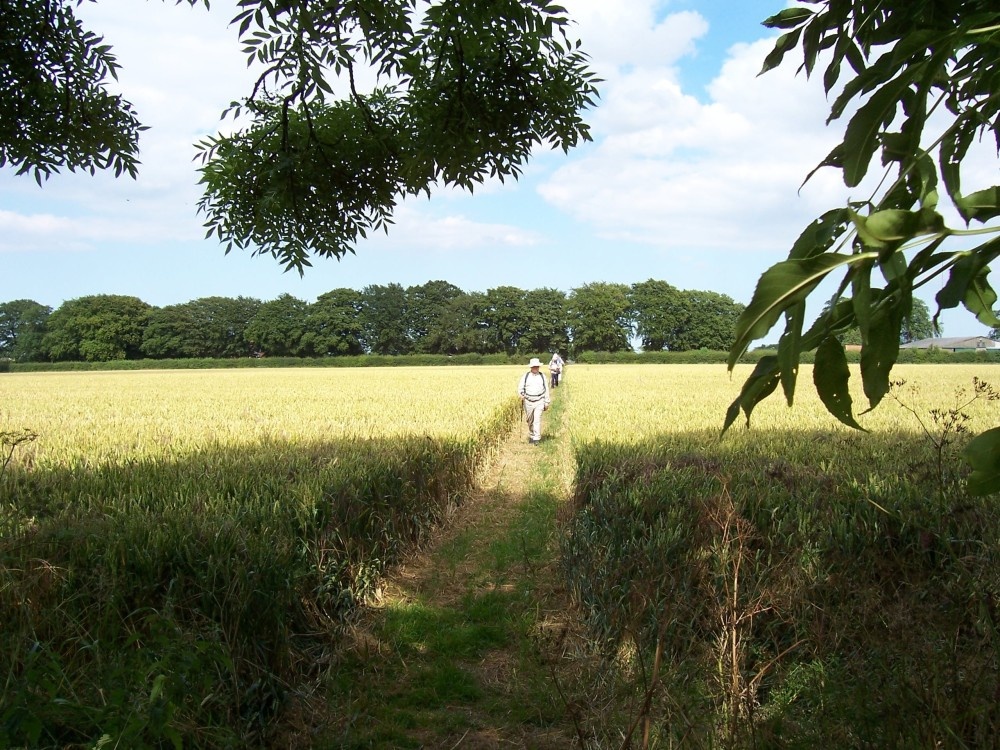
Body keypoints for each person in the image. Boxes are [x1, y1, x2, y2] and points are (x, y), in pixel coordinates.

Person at [518, 357, 550, 445]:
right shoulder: (525, 376)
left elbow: (546, 389)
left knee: (537, 419)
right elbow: (520, 388)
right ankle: (532, 434)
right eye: (534, 367)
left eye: (537, 366)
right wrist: (521, 394)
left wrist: (547, 402)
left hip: (540, 400)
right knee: (530, 420)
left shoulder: (542, 376)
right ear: (531, 367)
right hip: (528, 401)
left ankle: (536, 438)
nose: (535, 368)